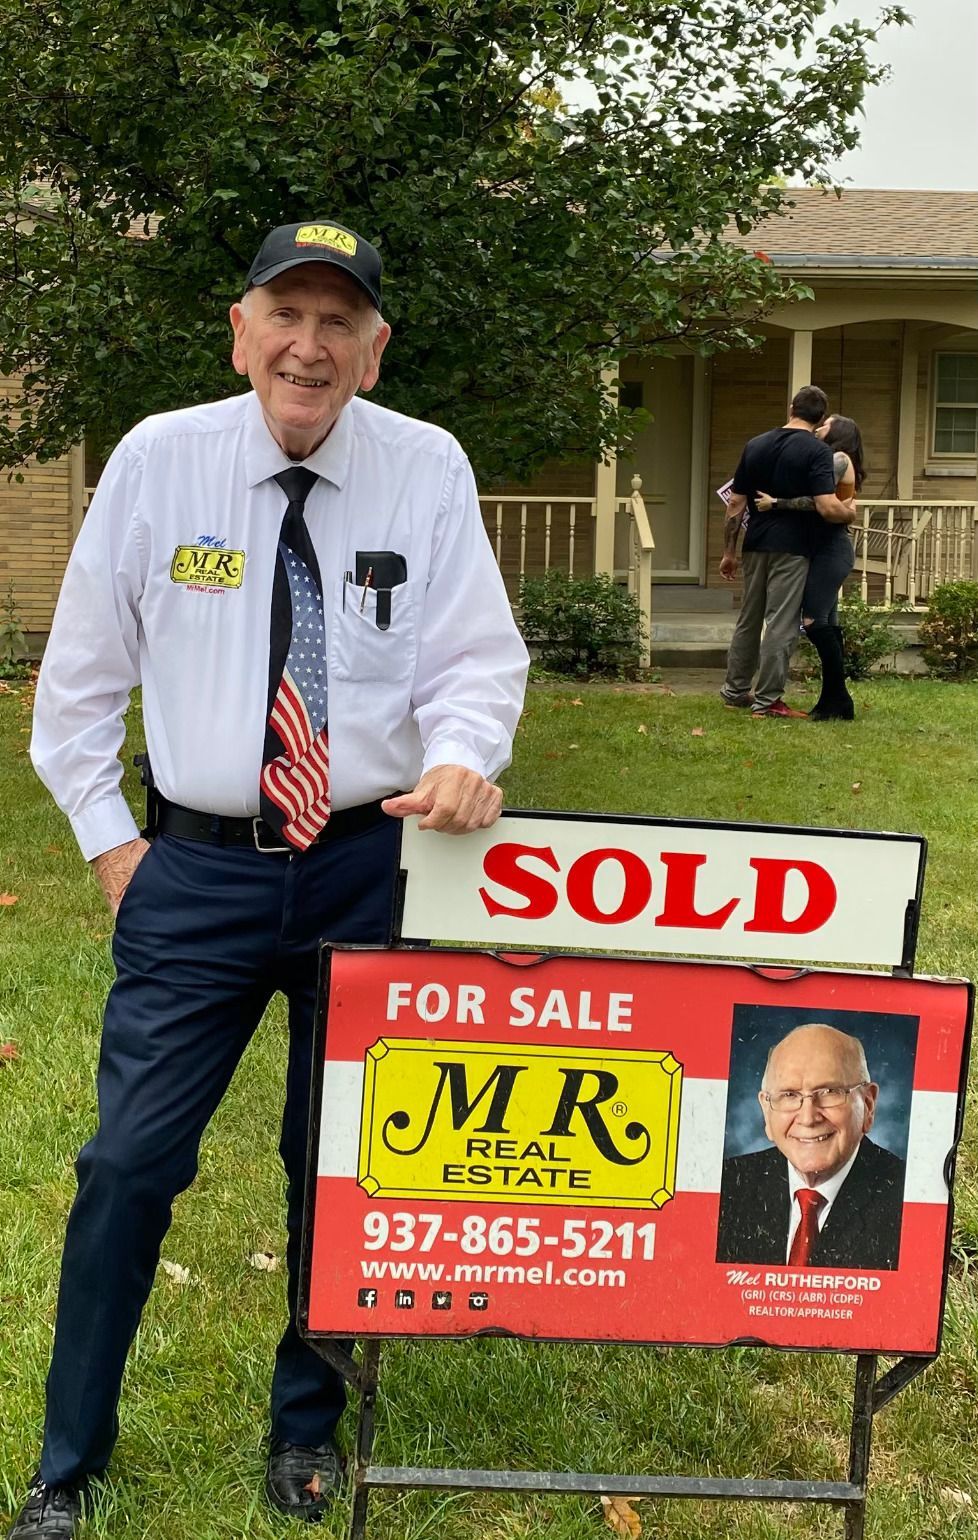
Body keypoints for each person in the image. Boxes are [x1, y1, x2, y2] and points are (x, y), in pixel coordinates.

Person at [14, 218, 529, 1538]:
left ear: (372, 347)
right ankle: (65, 1462)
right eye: (283, 316)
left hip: (369, 863)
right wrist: (109, 842)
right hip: (195, 868)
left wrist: (467, 752)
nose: (308, 346)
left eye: (336, 322)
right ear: (240, 332)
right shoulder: (157, 463)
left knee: (339, 1159)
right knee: (129, 1162)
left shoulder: (424, 469)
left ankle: (306, 1428)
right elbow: (75, 689)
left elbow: (477, 656)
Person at [715, 1023, 906, 1270]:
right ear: (765, 1109)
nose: (808, 1117)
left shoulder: (908, 1197)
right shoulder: (726, 1184)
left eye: (829, 1092)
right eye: (789, 1095)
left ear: (868, 1105)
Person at [718, 386, 855, 718]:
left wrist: (728, 552)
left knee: (749, 619)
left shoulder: (756, 444)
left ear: (790, 407)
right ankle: (767, 702)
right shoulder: (817, 452)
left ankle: (735, 690)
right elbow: (826, 506)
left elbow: (735, 504)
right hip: (793, 549)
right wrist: (849, 512)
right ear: (820, 417)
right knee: (781, 623)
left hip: (755, 544)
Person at [754, 414, 865, 721]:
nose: (818, 428)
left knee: (813, 621)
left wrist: (777, 502)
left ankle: (839, 699)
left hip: (833, 550)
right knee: (828, 623)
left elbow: (819, 501)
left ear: (838, 433)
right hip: (822, 549)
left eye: (825, 425)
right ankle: (834, 701)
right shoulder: (829, 458)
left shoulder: (839, 458)